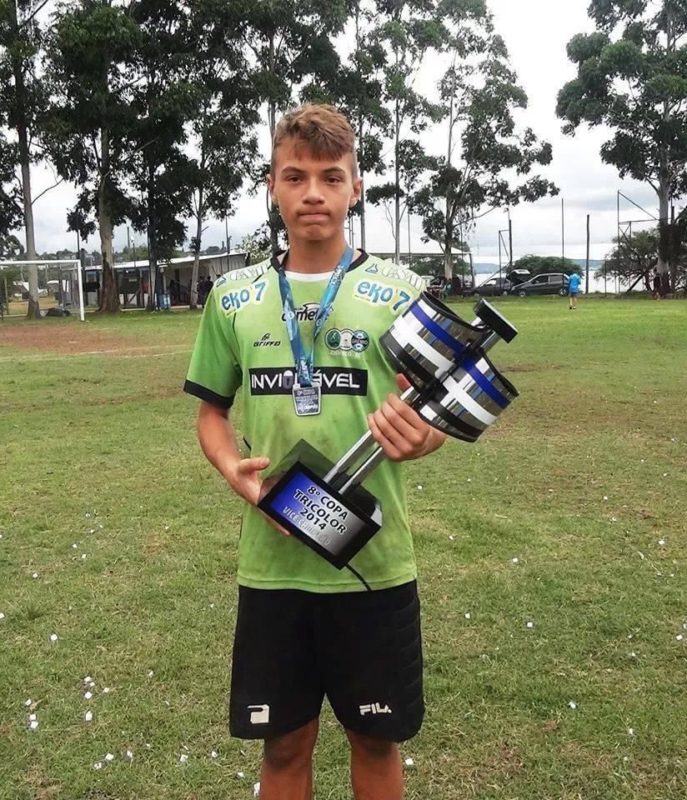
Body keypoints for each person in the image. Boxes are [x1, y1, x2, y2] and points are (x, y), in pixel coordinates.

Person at [184, 103, 446, 800]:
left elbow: (434, 416)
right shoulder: (233, 297)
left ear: (354, 187)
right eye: (294, 176)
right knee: (282, 748)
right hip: (273, 569)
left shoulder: (400, 293)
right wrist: (233, 472)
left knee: (375, 741)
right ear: (271, 184)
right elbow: (210, 413)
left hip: (375, 565)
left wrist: (423, 439)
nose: (312, 194)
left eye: (330, 177)